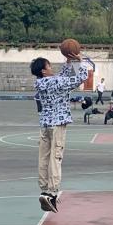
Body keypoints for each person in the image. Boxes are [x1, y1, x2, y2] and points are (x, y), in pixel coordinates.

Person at [30, 49, 94, 213]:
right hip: (57, 124)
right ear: (43, 71)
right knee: (55, 157)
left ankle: (44, 189)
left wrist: (68, 62)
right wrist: (79, 61)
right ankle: (52, 193)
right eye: (49, 66)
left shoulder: (40, 83)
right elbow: (80, 77)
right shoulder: (56, 82)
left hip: (45, 124)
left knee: (43, 157)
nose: (51, 68)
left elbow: (61, 77)